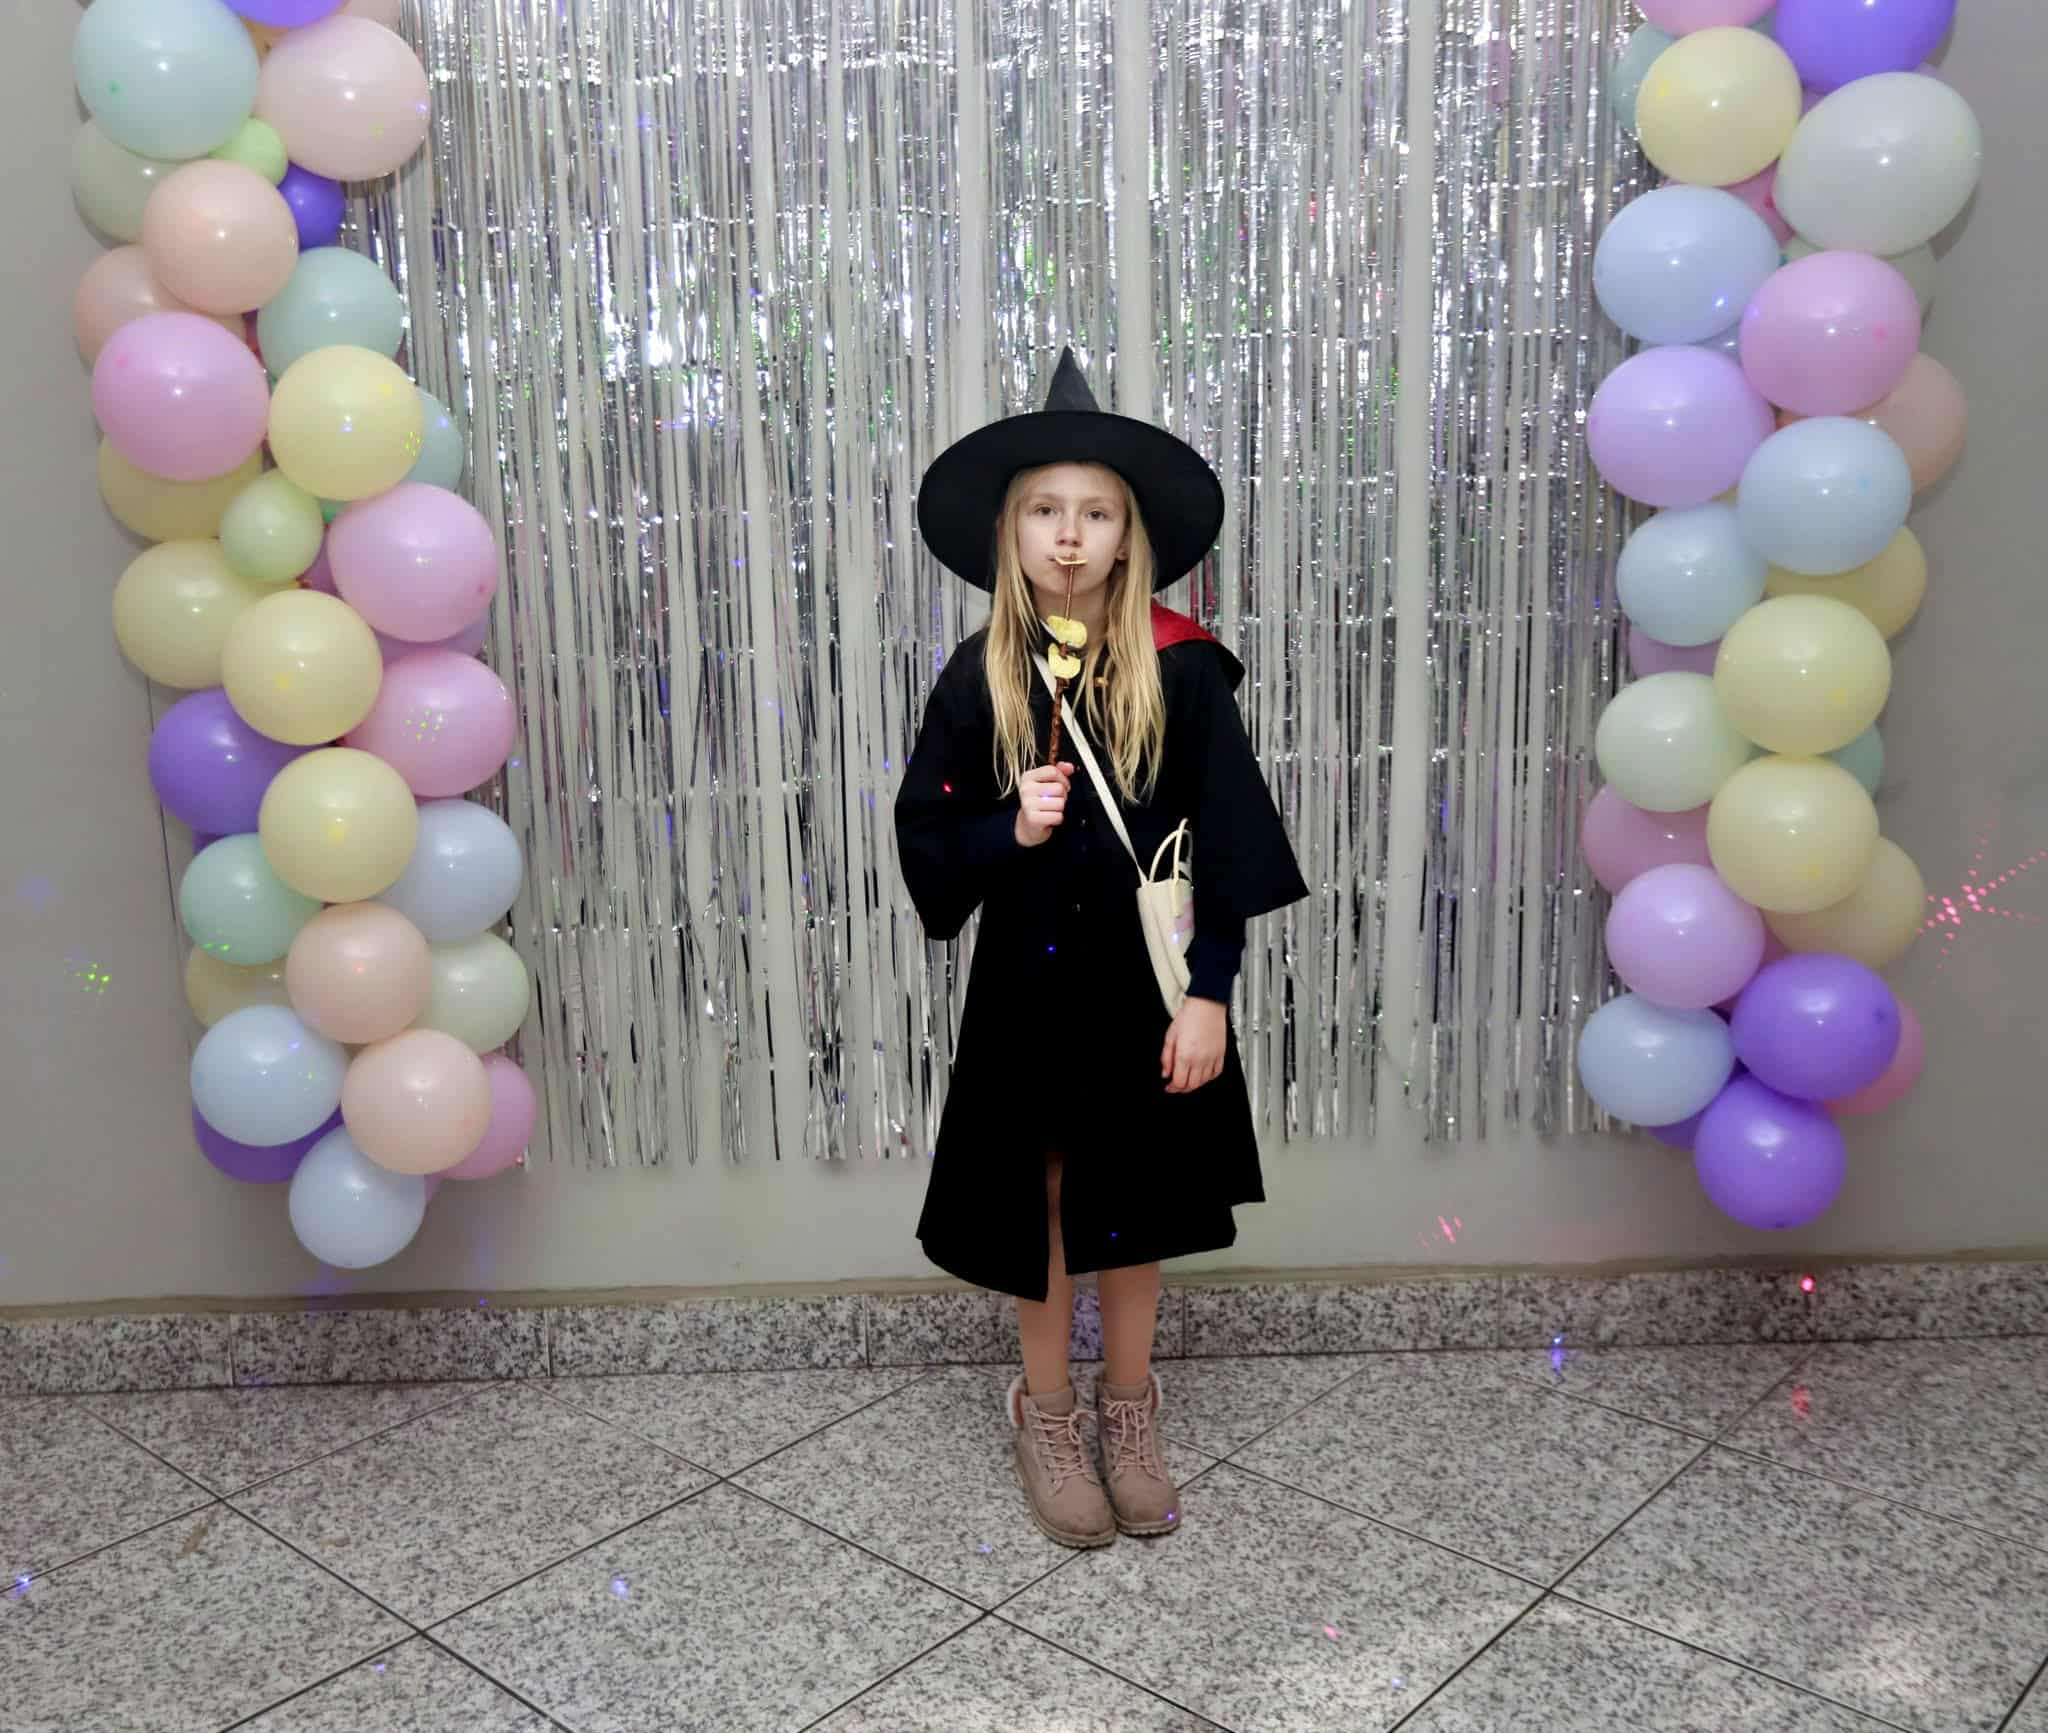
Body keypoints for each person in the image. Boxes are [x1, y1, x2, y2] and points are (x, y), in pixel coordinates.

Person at [893, 349, 1308, 1548]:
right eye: (1043, 510)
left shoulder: (1183, 672)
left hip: (1145, 991)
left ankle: (1130, 1408)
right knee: (1042, 1191)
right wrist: (1004, 828)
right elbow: (928, 839)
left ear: (1128, 537)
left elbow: (1225, 844)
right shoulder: (975, 678)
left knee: (1138, 1193)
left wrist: (1209, 996)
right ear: (1008, 531)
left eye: (1093, 513)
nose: (1067, 535)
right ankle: (1047, 1409)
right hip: (1024, 990)